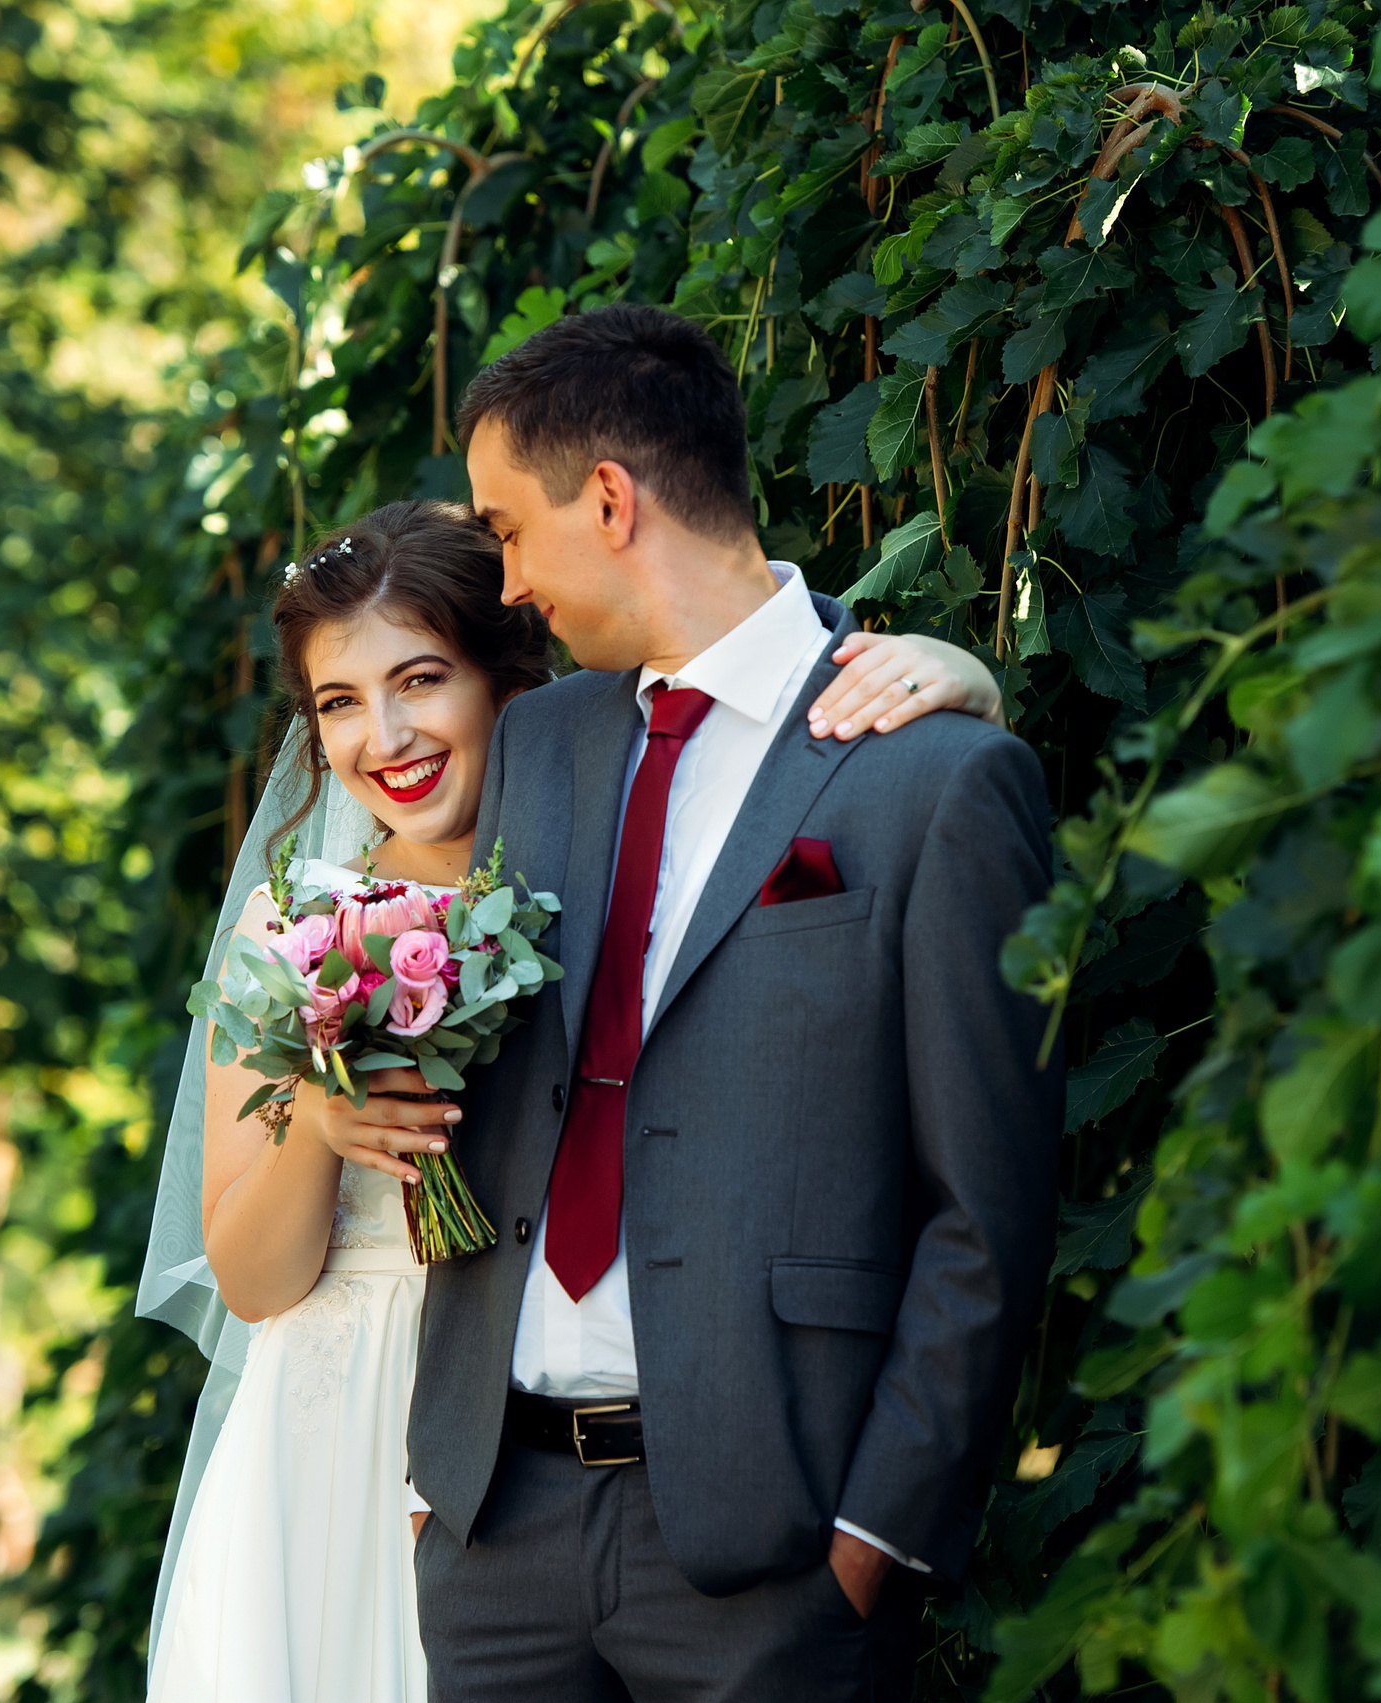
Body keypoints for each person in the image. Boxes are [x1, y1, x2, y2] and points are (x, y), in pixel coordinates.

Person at [137, 498, 1005, 1703]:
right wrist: (324, 1129)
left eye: (421, 679)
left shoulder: (595, 850)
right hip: (334, 1438)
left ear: (510, 680)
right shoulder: (297, 927)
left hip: (569, 1438)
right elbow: (252, 1280)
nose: (382, 735)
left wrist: (955, 670)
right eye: (338, 702)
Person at [334, 305, 1063, 1703]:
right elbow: (412, 947)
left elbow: (992, 1207)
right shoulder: (535, 744)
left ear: (608, 499)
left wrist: (873, 1535)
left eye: (506, 531)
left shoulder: (933, 775)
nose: (504, 580)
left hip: (775, 1553)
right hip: (497, 1537)